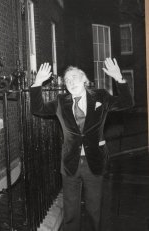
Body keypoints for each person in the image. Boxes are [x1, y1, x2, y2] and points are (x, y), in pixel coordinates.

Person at [30, 58, 134, 231]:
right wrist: (37, 82)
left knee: (95, 209)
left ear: (85, 80)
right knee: (70, 211)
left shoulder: (100, 96)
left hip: (95, 161)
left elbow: (126, 103)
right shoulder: (61, 101)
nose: (71, 82)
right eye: (67, 80)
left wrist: (119, 79)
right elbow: (38, 108)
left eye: (75, 77)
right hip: (71, 163)